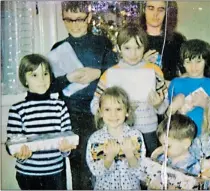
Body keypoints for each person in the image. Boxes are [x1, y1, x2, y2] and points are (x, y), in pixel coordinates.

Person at [49, 1, 118, 189]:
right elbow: (49, 86)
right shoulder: (58, 47)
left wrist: (99, 72)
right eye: (68, 20)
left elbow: (117, 72)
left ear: (88, 18)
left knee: (104, 163)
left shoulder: (101, 42)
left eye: (79, 19)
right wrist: (68, 78)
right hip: (70, 115)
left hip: (99, 113)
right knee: (79, 168)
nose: (74, 24)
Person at [90, 23, 168, 157]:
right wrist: (115, 108)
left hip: (148, 131)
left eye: (138, 47)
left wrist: (158, 104)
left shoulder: (154, 71)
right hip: (119, 132)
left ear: (144, 47)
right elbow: (94, 105)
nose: (133, 54)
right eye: (127, 48)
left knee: (147, 171)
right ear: (119, 48)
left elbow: (163, 106)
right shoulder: (110, 73)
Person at [5, 54, 76, 190]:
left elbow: (67, 138)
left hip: (55, 172)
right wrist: (20, 154)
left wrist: (66, 149)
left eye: (45, 73)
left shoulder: (59, 106)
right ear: (24, 80)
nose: (42, 79)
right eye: (34, 75)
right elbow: (11, 144)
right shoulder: (17, 109)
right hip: (28, 174)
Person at [86, 86, 146, 190]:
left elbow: (142, 173)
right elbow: (95, 171)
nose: (113, 114)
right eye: (107, 109)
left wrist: (130, 155)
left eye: (118, 109)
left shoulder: (135, 136)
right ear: (100, 112)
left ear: (127, 111)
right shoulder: (95, 139)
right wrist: (109, 158)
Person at [167, 39, 210, 136]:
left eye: (198, 61)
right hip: (180, 137)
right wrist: (172, 109)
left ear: (206, 61)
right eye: (188, 62)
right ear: (182, 63)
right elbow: (167, 118)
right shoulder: (176, 83)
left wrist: (205, 104)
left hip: (206, 137)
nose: (193, 67)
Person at [147, 114, 200, 189]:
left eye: (168, 146)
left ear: (185, 143)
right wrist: (154, 156)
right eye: (162, 144)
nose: (163, 149)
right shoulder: (163, 157)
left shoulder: (192, 166)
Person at [140, 0, 186, 82]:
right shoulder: (134, 37)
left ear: (167, 13)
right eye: (151, 8)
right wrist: (141, 65)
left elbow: (187, 72)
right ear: (144, 10)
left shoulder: (177, 39)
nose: (155, 14)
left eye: (160, 10)